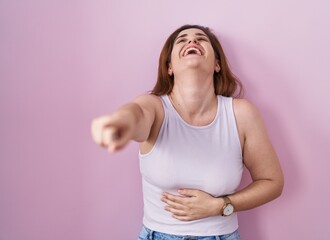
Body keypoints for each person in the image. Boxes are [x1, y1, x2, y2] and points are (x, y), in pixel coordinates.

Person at [91, 24, 284, 240]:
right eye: (182, 40)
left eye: (200, 39)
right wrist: (117, 123)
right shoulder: (155, 107)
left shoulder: (241, 114)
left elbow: (271, 182)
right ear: (170, 67)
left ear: (217, 64)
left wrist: (220, 206)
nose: (191, 42)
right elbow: (135, 114)